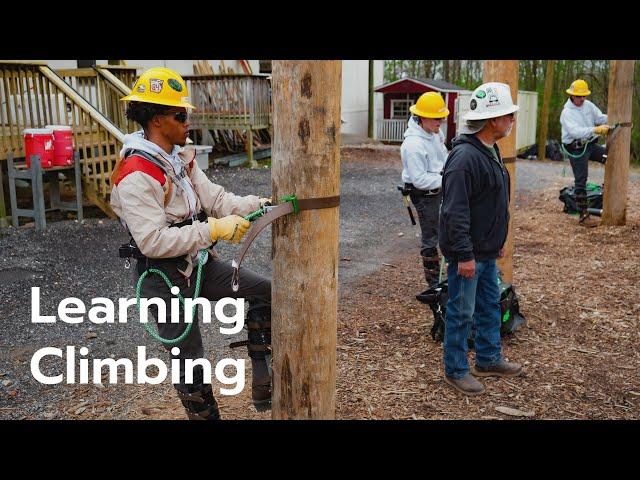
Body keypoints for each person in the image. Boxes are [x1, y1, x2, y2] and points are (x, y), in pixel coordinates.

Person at [110, 67, 272, 419]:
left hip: (197, 263)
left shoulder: (178, 159)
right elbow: (152, 241)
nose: (188, 121)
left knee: (265, 291)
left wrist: (255, 205)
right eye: (180, 115)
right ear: (156, 120)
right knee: (189, 360)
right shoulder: (136, 173)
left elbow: (214, 198)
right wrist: (214, 230)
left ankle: (264, 377)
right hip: (163, 277)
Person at [439, 82, 523, 396]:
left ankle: (488, 359)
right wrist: (464, 254)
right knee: (462, 310)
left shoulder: (489, 150)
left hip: (485, 250)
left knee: (489, 304)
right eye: (508, 115)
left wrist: (496, 240)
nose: (512, 120)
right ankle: (456, 369)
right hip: (468, 254)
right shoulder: (464, 159)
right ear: (492, 120)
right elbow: (454, 213)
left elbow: (492, 202)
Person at [400, 92, 449, 286]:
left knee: (448, 227)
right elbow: (419, 180)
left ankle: (445, 277)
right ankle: (434, 283)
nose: (441, 121)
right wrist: (447, 180)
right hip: (424, 194)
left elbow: (442, 156)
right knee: (431, 238)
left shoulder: (435, 132)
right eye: (437, 118)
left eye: (442, 117)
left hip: (439, 184)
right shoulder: (412, 145)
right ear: (423, 118)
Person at [560, 79, 610, 224]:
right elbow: (575, 132)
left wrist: (617, 118)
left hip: (590, 144)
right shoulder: (567, 113)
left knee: (611, 158)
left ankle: (606, 192)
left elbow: (600, 117)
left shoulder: (588, 106)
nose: (582, 99)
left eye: (584, 96)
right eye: (579, 96)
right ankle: (583, 213)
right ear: (572, 95)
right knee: (581, 181)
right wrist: (595, 129)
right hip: (575, 148)